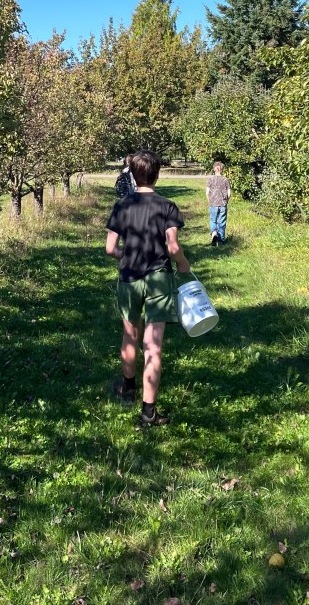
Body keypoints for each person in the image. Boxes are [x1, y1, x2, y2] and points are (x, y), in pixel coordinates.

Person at [106, 149, 191, 426]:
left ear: (132, 174)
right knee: (153, 345)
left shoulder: (123, 206)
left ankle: (127, 388)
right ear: (157, 174)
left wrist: (126, 255)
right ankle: (148, 412)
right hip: (158, 277)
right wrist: (182, 266)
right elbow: (173, 246)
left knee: (129, 335)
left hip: (129, 276)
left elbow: (110, 249)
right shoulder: (167, 206)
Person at [206, 161, 231, 245]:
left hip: (213, 203)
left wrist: (210, 200)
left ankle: (214, 233)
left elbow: (207, 192)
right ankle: (221, 240)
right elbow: (229, 193)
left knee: (213, 220)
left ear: (214, 169)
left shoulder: (210, 179)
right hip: (223, 204)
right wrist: (226, 201)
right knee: (222, 222)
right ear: (222, 169)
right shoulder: (225, 179)